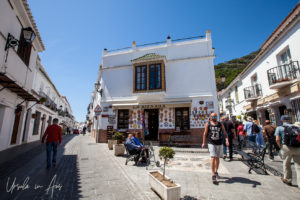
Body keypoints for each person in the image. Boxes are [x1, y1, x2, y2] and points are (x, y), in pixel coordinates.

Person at [202, 112, 229, 184]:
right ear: (210, 117)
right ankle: (213, 174)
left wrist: (226, 140)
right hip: (211, 142)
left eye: (215, 116)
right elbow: (205, 133)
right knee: (213, 157)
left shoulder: (220, 124)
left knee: (217, 158)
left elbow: (225, 133)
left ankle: (216, 171)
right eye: (213, 117)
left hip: (219, 142)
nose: (214, 118)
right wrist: (204, 142)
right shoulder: (208, 124)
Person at [275, 115, 300, 188]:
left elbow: (277, 139)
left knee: (286, 163)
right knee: (299, 166)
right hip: (298, 147)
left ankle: (288, 179)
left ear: (282, 120)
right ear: (289, 120)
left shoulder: (279, 128)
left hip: (286, 147)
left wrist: (280, 147)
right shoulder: (296, 127)